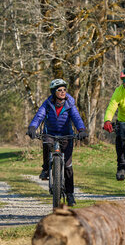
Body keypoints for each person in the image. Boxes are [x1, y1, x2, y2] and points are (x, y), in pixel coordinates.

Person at [26, 78, 88, 206]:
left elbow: (76, 118)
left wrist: (81, 130)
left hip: (66, 135)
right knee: (46, 143)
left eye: (64, 89)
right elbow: (39, 116)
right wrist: (32, 128)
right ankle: (46, 168)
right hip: (50, 133)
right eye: (60, 90)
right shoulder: (47, 104)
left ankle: (70, 194)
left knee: (68, 166)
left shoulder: (70, 104)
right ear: (54, 92)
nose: (63, 92)